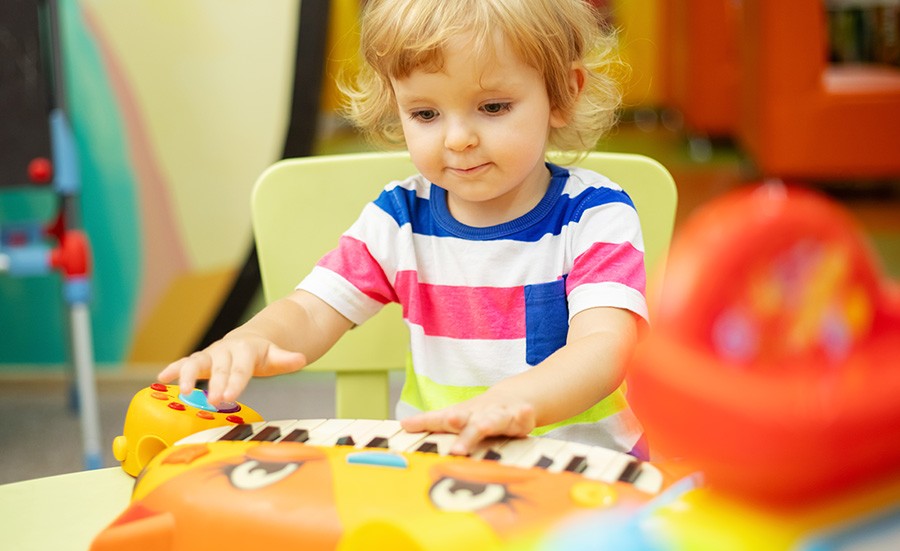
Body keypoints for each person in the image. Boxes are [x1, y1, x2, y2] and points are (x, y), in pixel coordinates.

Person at [159, 0, 649, 459]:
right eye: (426, 114)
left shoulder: (594, 215)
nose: (458, 139)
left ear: (563, 95)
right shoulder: (399, 218)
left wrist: (515, 401)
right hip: (443, 467)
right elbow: (310, 312)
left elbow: (603, 347)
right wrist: (251, 337)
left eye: (493, 107)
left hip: (580, 472)